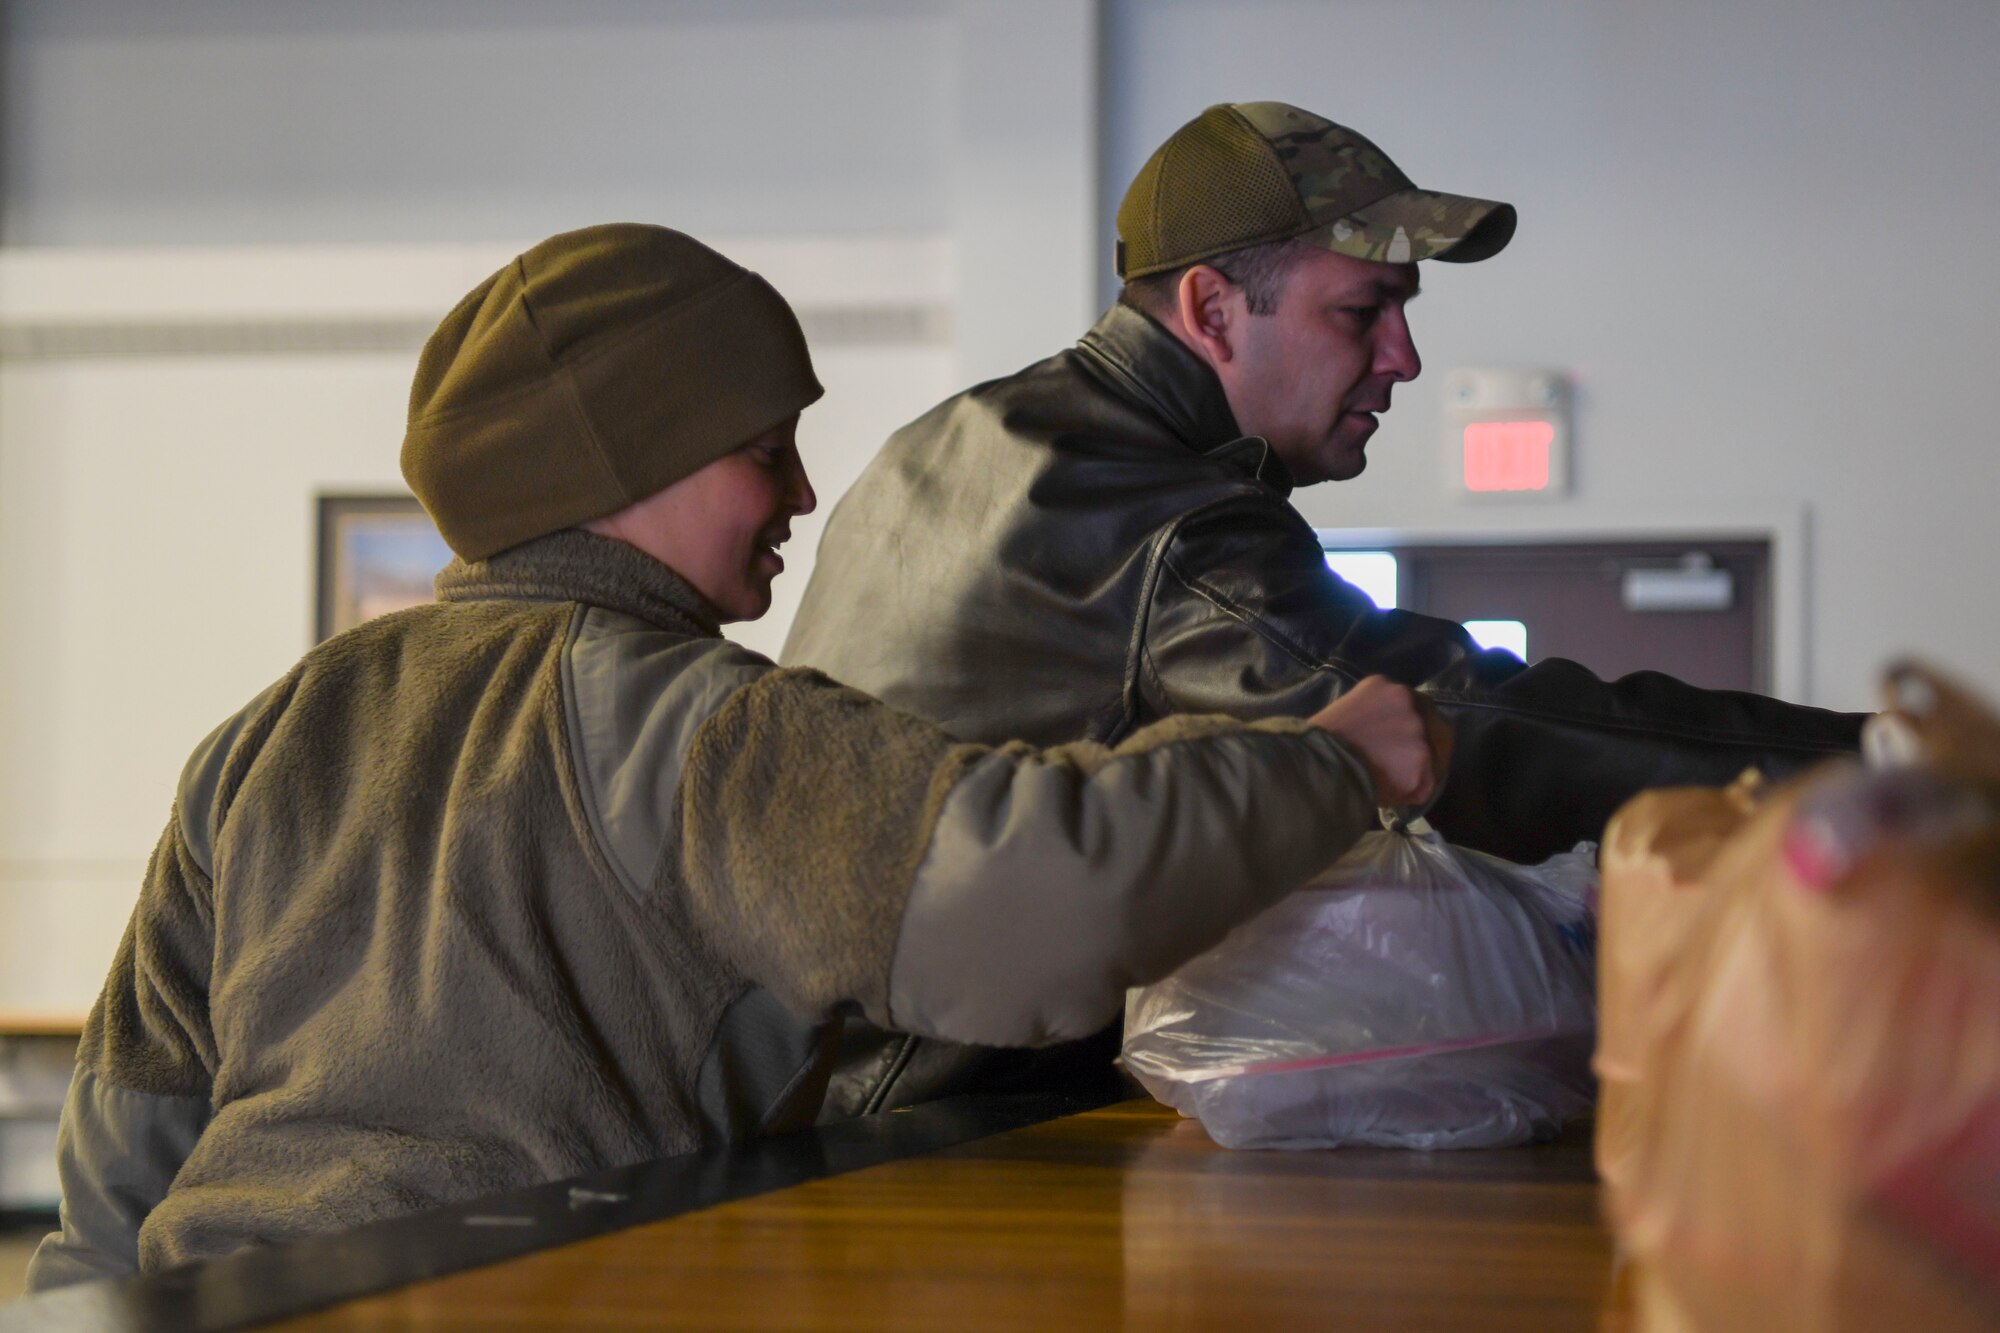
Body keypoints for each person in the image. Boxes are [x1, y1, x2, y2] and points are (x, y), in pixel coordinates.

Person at [26, 224, 1446, 1289]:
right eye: (766, 447)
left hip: (224, 1297)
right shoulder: (685, 718)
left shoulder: (272, 729)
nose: (803, 495)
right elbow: (1021, 902)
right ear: (635, 461)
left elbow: (130, 1133)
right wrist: (1328, 763)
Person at [781, 101, 1868, 1117]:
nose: (1402, 359)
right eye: (1362, 312)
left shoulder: (953, 440)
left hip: (838, 1096)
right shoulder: (1158, 519)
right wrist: (1880, 770)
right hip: (950, 1138)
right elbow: (1452, 725)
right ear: (1212, 309)